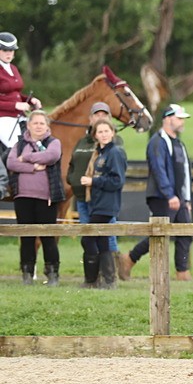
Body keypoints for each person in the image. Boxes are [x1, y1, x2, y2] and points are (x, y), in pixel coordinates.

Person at [120, 103, 193, 281]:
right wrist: (170, 195)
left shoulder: (179, 144)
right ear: (168, 119)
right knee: (160, 235)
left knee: (187, 232)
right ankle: (130, 258)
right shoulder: (157, 142)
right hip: (161, 197)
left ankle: (182, 272)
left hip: (179, 198)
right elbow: (159, 169)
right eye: (179, 118)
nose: (182, 122)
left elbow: (185, 172)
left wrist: (186, 199)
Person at [5, 110, 65, 285]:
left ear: (47, 126)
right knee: (26, 237)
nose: (38, 126)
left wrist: (27, 158)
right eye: (35, 123)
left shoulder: (54, 142)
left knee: (48, 236)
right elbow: (11, 162)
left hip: (46, 198)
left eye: (42, 123)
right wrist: (33, 167)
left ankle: (53, 273)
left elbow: (51, 157)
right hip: (23, 197)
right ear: (29, 125)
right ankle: (27, 273)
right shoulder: (19, 144)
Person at [67, 102, 125, 271]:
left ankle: (110, 273)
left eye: (104, 115)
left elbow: (116, 178)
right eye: (96, 115)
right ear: (91, 119)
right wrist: (73, 179)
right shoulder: (83, 142)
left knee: (101, 236)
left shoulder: (114, 148)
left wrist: (93, 181)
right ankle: (98, 277)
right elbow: (72, 163)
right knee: (92, 237)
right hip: (82, 197)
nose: (100, 118)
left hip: (102, 199)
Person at [78, 117, 127, 289]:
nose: (104, 134)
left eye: (107, 131)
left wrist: (93, 182)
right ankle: (107, 280)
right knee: (102, 240)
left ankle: (92, 280)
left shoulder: (115, 153)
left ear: (113, 133)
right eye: (100, 132)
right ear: (95, 135)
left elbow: (117, 181)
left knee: (88, 239)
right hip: (96, 203)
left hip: (107, 204)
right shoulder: (99, 153)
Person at [0, 31, 42, 153]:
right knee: (17, 148)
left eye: (11, 51)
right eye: (5, 50)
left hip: (19, 116)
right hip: (3, 117)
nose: (9, 54)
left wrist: (30, 100)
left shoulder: (13, 68)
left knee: (39, 143)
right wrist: (15, 105)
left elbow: (14, 93)